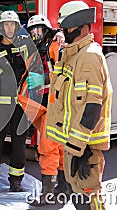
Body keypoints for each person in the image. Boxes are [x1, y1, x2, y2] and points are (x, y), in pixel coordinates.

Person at [46, 1, 112, 209]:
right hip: (74, 144)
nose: (65, 31)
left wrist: (79, 150)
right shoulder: (73, 55)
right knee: (78, 197)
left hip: (85, 147)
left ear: (83, 26)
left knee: (88, 200)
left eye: (68, 27)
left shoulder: (89, 56)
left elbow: (91, 107)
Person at [0, 10, 37, 192]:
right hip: (0, 106)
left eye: (13, 25)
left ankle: (16, 182)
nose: (10, 28)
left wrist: (58, 35)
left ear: (17, 27)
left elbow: (44, 41)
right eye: (7, 25)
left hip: (20, 105)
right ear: (1, 28)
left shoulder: (24, 47)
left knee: (19, 144)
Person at [26, 15, 67, 206]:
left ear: (46, 30)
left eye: (39, 30)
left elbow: (65, 73)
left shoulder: (55, 47)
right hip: (45, 105)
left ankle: (48, 194)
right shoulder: (36, 51)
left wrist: (45, 80)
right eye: (33, 31)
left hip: (54, 105)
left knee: (48, 148)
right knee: (58, 148)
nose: (36, 34)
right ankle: (62, 189)